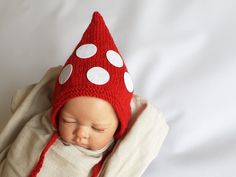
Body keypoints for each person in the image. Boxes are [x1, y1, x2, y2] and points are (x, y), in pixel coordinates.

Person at [0, 11, 169, 177]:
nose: (81, 133)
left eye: (97, 128)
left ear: (118, 127)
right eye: (68, 120)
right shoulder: (37, 128)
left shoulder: (109, 161)